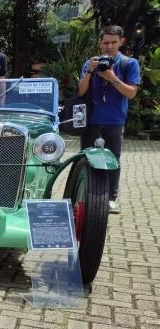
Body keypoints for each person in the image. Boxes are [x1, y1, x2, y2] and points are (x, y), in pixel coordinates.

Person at [77, 25, 141, 214]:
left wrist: (112, 78)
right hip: (92, 120)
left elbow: (131, 93)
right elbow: (81, 92)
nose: (109, 46)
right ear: (99, 43)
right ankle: (84, 195)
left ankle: (111, 198)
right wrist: (89, 72)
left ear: (121, 42)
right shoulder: (91, 63)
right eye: (105, 42)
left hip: (115, 119)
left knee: (114, 159)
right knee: (87, 158)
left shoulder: (129, 64)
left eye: (113, 42)